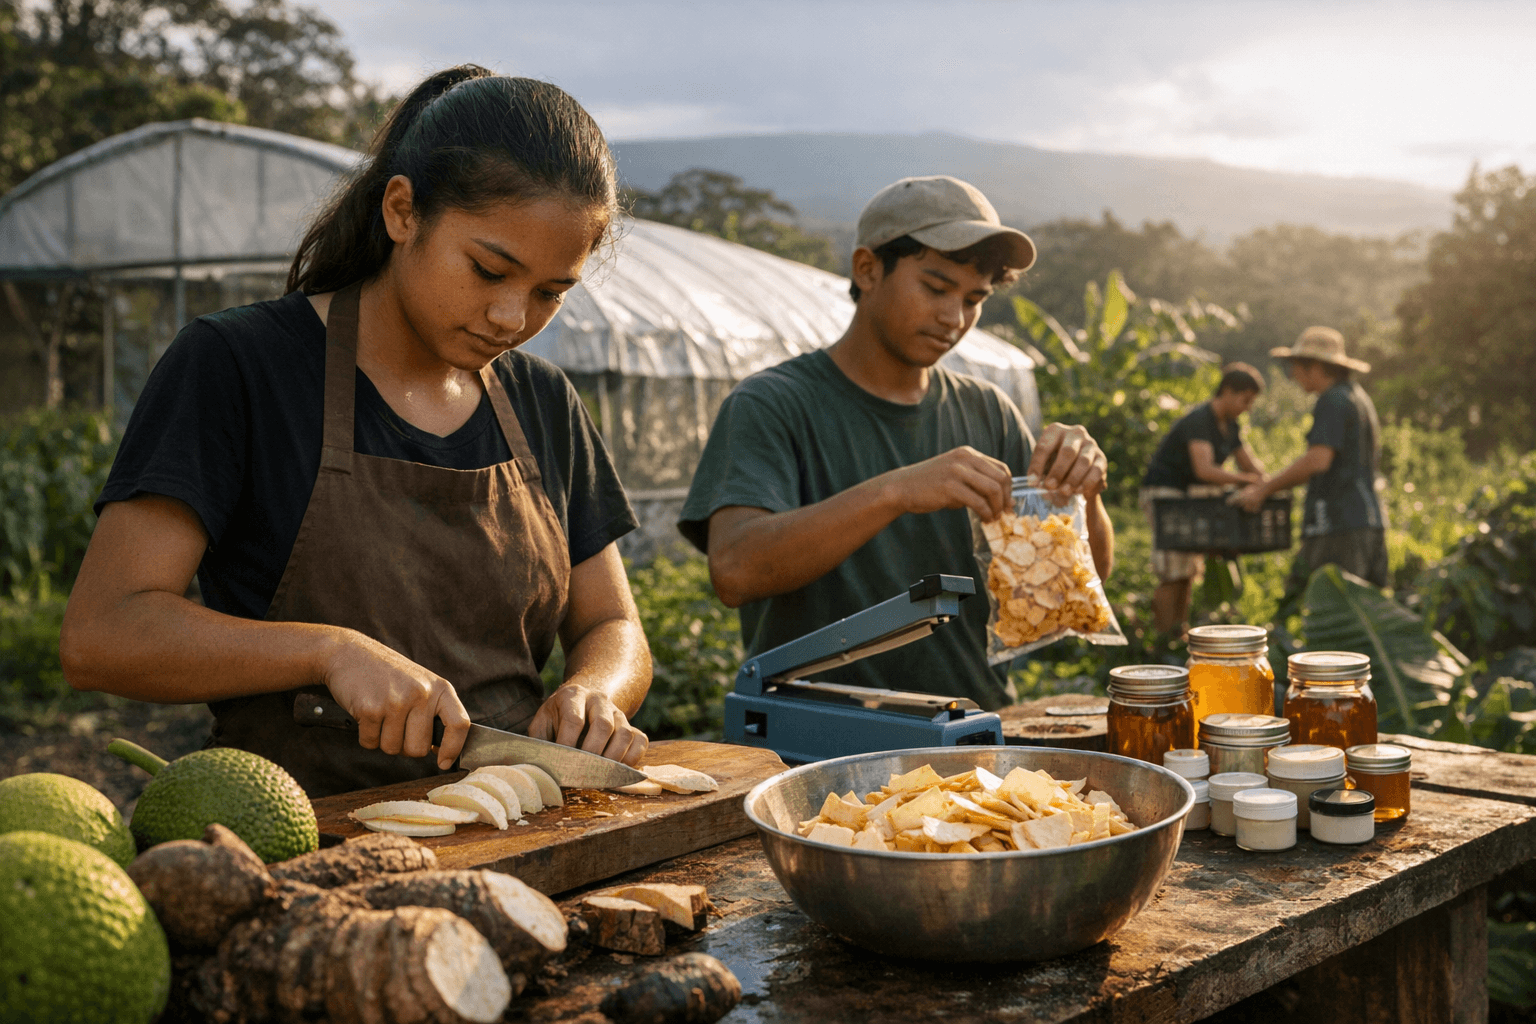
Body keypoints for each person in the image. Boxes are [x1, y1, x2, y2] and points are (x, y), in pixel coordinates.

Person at [60, 67, 652, 798]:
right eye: (487, 269)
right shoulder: (240, 367)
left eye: (549, 292)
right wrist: (327, 651)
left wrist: (597, 688)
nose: (511, 318)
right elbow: (103, 635)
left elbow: (612, 622)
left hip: (514, 833)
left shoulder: (543, 402)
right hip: (292, 842)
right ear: (402, 211)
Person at [678, 176, 1112, 711]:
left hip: (970, 733)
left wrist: (1084, 492)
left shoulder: (987, 411)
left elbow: (1073, 586)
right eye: (935, 288)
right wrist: (895, 491)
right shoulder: (772, 405)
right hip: (821, 747)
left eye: (974, 299)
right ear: (867, 268)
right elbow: (736, 571)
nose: (954, 318)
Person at [1233, 326, 1388, 590]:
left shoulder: (1333, 401)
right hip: (1368, 521)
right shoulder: (1358, 398)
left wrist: (1264, 489)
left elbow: (1318, 460)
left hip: (1338, 525)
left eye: (1295, 367)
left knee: (1328, 609)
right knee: (1366, 614)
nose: (1292, 376)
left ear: (1315, 367)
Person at [1140, 363, 1268, 634]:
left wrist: (1267, 483)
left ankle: (1179, 634)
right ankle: (1161, 638)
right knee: (1172, 571)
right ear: (1228, 392)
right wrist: (1247, 481)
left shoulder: (1230, 426)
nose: (1248, 407)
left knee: (1187, 571)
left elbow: (1249, 464)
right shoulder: (1200, 420)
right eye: (1245, 400)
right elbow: (1205, 469)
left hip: (1188, 500)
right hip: (1165, 494)